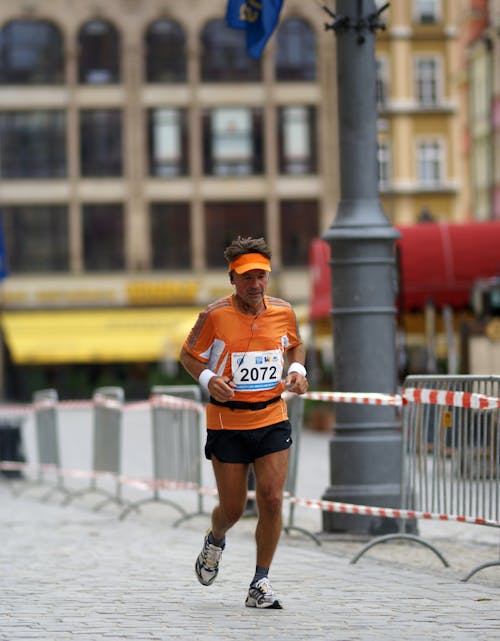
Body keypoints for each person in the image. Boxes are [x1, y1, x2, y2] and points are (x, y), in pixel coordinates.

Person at [179, 236, 308, 609]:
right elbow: (188, 356)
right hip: (227, 423)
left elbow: (295, 343)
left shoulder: (283, 311)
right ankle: (216, 538)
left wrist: (297, 370)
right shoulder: (214, 315)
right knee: (233, 508)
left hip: (271, 417)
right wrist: (209, 380)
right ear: (232, 278)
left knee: (270, 499)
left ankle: (260, 582)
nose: (256, 285)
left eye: (262, 277)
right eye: (247, 277)